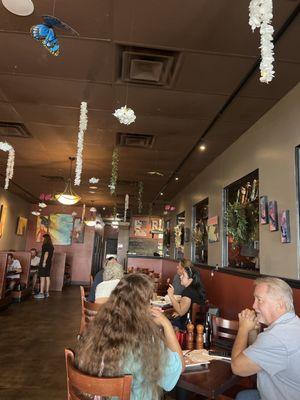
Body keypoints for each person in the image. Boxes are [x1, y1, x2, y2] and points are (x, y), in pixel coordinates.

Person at [75, 273, 184, 400]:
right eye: (149, 301)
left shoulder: (97, 329)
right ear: (143, 306)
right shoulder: (147, 340)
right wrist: (166, 324)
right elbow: (178, 368)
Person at [231, 277, 300, 400]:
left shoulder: (275, 337)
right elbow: (256, 353)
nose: (253, 305)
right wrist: (253, 329)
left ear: (279, 304)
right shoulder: (294, 323)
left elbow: (237, 367)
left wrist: (243, 329)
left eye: (259, 300)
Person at [168, 265, 206, 330]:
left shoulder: (188, 292)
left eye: (183, 275)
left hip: (186, 327)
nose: (180, 277)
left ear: (190, 280)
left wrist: (171, 296)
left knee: (163, 322)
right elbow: (185, 310)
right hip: (198, 327)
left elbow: (181, 311)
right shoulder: (196, 290)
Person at [34, 234, 54, 299]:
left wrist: (44, 262)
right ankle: (47, 293)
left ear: (45, 239)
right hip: (49, 263)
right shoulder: (51, 246)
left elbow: (46, 253)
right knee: (47, 277)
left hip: (44, 263)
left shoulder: (45, 245)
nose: (41, 239)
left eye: (42, 238)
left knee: (42, 277)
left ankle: (41, 293)